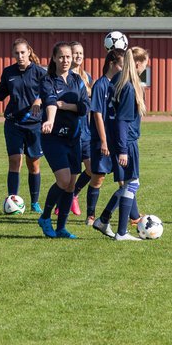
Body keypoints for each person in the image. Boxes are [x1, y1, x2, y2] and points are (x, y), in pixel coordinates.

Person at [0, 39, 48, 211]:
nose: (20, 56)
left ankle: (35, 202)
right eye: (16, 53)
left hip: (34, 125)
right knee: (15, 161)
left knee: (33, 164)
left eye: (23, 52)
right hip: (13, 124)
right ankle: (12, 201)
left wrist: (39, 99)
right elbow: (0, 94)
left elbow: (49, 93)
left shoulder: (40, 72)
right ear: (13, 54)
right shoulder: (8, 72)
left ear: (29, 51)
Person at [92, 47, 148, 241]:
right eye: (145, 65)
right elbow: (122, 120)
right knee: (132, 183)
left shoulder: (116, 81)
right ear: (138, 64)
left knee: (128, 184)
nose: (144, 69)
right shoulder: (129, 87)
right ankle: (121, 232)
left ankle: (103, 220)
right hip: (126, 142)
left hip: (119, 140)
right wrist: (123, 150)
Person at [36, 42, 90, 238]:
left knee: (71, 184)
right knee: (64, 179)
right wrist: (50, 119)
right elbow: (50, 102)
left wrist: (65, 105)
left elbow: (84, 106)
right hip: (54, 138)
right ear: (54, 58)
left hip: (74, 137)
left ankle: (62, 228)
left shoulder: (77, 80)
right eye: (61, 57)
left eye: (68, 57)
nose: (65, 60)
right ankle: (45, 217)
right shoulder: (47, 80)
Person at [84, 47, 123, 227]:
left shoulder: (120, 84)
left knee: (124, 180)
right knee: (98, 177)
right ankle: (90, 215)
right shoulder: (100, 85)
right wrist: (104, 141)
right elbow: (97, 114)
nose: (124, 70)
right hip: (103, 140)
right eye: (122, 65)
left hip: (118, 139)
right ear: (111, 64)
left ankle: (131, 215)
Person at [67, 41, 93, 217]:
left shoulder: (88, 77)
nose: (78, 56)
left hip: (87, 130)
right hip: (72, 130)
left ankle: (74, 195)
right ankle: (65, 201)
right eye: (75, 53)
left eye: (81, 53)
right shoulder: (65, 77)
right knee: (72, 173)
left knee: (93, 169)